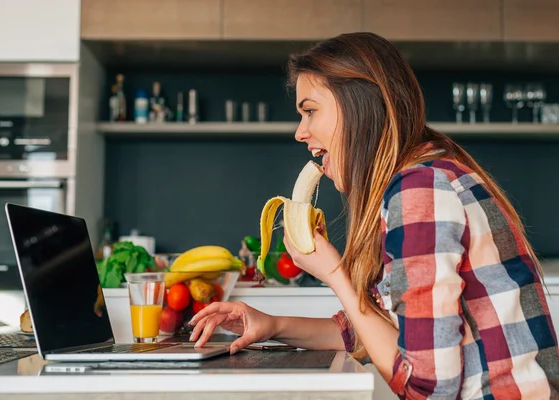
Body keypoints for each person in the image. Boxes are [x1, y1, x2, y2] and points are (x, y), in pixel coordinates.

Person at [189, 32, 559, 399]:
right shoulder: (427, 176)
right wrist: (272, 325)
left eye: (310, 111)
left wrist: (334, 273)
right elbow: (376, 331)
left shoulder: (419, 191)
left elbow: (428, 388)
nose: (301, 132)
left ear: (358, 105)